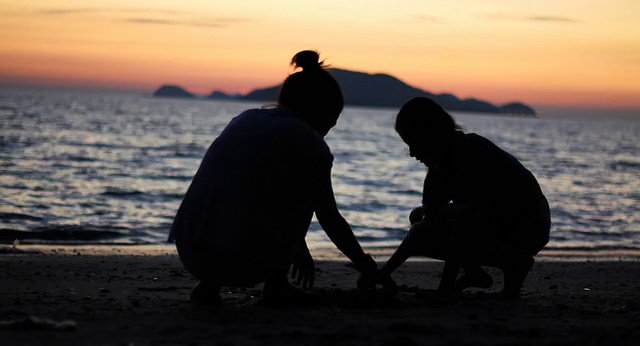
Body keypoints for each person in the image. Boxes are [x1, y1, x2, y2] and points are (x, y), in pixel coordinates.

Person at [168, 50, 388, 304]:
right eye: (332, 121)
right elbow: (328, 216)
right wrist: (367, 266)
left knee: (254, 188)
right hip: (242, 262)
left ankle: (209, 286)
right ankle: (277, 284)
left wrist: (297, 247)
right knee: (305, 194)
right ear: (322, 111)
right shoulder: (310, 143)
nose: (329, 130)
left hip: (191, 252)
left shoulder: (245, 119)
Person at [377, 97, 550, 299]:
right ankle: (475, 274)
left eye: (414, 144)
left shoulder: (469, 158)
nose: (412, 154)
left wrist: (444, 290)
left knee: (421, 231)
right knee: (419, 216)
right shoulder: (447, 158)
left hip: (526, 231)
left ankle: (515, 263)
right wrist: (384, 274)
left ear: (431, 137)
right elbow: (432, 212)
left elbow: (462, 228)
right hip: (499, 221)